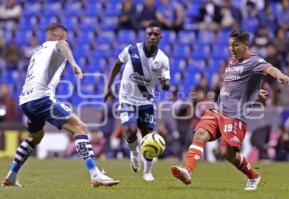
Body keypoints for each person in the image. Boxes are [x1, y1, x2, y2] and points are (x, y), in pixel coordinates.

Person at [170, 30, 289, 191]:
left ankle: (254, 176)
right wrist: (255, 92)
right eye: (229, 45)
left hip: (235, 115)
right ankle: (187, 169)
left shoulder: (254, 61)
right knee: (200, 134)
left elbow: (269, 68)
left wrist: (280, 75)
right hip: (218, 110)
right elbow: (238, 86)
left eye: (236, 45)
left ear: (245, 45)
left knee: (227, 152)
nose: (232, 48)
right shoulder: (232, 62)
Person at [1, 23, 119, 187]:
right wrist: (73, 63)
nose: (65, 38)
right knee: (80, 128)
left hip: (26, 100)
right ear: (55, 34)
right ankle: (95, 174)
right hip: (41, 99)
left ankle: (11, 175)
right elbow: (61, 45)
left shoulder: (38, 52)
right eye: (63, 34)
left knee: (36, 136)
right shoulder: (56, 44)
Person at [104, 21, 170, 181]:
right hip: (126, 98)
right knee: (131, 130)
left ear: (160, 37)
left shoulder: (162, 59)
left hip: (146, 102)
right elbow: (116, 65)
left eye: (156, 34)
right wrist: (108, 86)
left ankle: (147, 171)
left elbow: (167, 86)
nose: (152, 37)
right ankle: (134, 154)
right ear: (145, 35)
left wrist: (164, 84)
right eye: (150, 34)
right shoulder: (131, 50)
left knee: (148, 136)